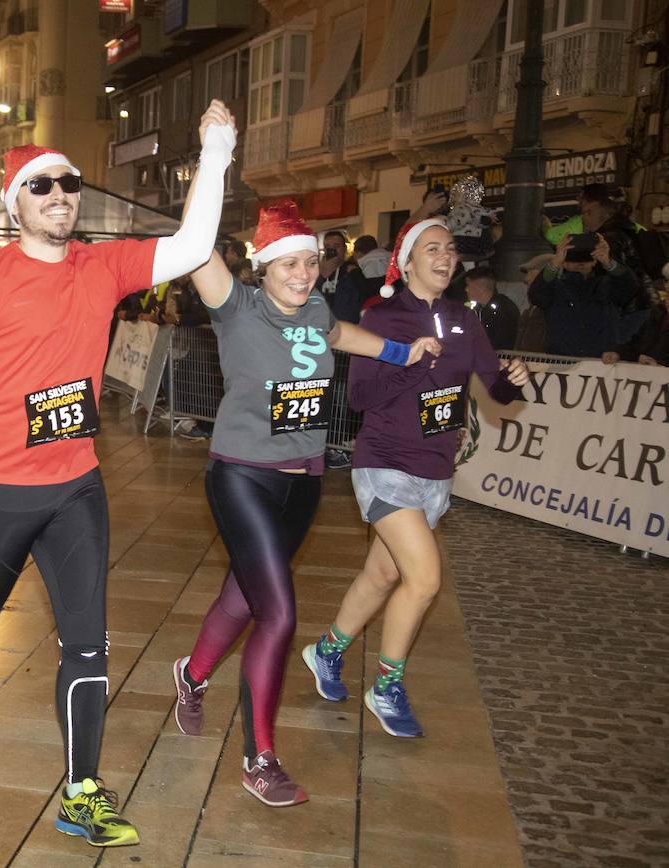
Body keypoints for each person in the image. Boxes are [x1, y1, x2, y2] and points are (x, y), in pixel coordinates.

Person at [0, 102, 247, 849]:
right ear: (16, 203)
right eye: (42, 186)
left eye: (69, 184)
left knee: (88, 642)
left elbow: (196, 242)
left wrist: (216, 148)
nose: (60, 196)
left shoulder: (101, 267)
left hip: (75, 486)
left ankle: (81, 793)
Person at [170, 200, 440, 808]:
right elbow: (193, 243)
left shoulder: (317, 306)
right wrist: (215, 156)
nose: (302, 274)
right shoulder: (235, 307)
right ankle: (260, 759)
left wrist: (401, 352)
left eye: (310, 262)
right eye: (288, 263)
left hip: (305, 481)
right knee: (280, 615)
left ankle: (190, 677)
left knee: (242, 599)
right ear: (262, 267)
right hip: (242, 477)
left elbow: (339, 334)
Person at [302, 219, 528, 741]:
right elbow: (358, 398)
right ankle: (386, 686)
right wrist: (411, 360)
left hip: (434, 471)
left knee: (382, 575)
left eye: (449, 249)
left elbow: (495, 385)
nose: (445, 257)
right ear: (406, 263)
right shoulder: (382, 316)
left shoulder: (464, 319)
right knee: (423, 578)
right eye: (432, 249)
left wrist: (513, 380)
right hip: (383, 463)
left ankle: (326, 652)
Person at [528, 231, 640, 357]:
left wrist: (608, 262)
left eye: (586, 257)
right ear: (563, 262)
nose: (580, 262)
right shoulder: (554, 287)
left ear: (594, 261)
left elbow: (631, 287)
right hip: (562, 364)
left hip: (601, 364)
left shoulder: (607, 285)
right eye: (573, 257)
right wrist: (554, 262)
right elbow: (536, 296)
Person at [462, 264, 519, 350]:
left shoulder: (501, 310)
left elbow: (497, 344)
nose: (466, 289)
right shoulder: (482, 309)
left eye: (468, 285)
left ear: (481, 288)